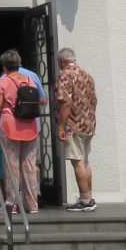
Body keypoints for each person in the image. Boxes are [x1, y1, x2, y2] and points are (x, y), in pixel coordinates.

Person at [0, 48, 40, 215]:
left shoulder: (4, 81)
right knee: (29, 165)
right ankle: (32, 204)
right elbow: (39, 99)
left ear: (4, 66)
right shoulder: (29, 80)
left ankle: (11, 203)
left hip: (10, 125)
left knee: (11, 165)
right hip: (30, 126)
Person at [55, 47, 98, 212]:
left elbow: (65, 102)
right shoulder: (86, 75)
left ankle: (84, 199)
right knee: (85, 160)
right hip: (88, 123)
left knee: (77, 160)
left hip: (73, 123)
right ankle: (89, 197)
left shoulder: (65, 75)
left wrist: (61, 125)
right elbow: (94, 100)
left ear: (61, 61)